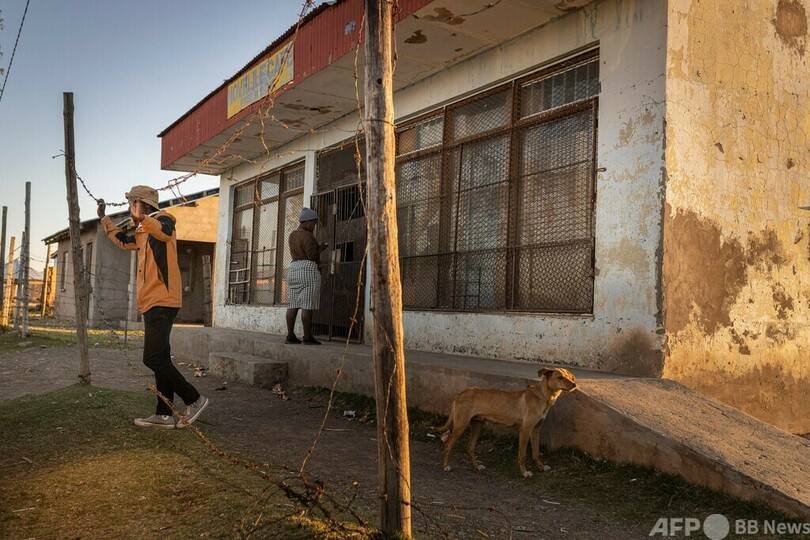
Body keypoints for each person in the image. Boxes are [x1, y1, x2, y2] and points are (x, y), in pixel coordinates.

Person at [97, 185, 208, 429]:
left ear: (143, 203)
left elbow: (164, 233)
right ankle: (164, 414)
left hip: (163, 299)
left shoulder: (164, 219)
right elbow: (124, 242)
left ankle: (194, 398)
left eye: (132, 202)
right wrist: (105, 219)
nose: (130, 206)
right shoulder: (142, 229)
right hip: (151, 301)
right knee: (161, 357)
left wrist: (143, 218)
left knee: (152, 358)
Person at [286, 207, 328, 345]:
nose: (314, 227)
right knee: (307, 305)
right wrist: (321, 248)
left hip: (293, 269)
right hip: (307, 270)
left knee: (293, 305)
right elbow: (312, 256)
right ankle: (307, 337)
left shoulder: (292, 235)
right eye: (313, 223)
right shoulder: (308, 236)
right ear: (306, 221)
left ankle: (290, 336)